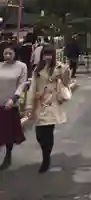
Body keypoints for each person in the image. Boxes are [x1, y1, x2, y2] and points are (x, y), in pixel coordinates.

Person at [26, 44, 71, 173]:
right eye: (45, 54)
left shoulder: (59, 67)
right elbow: (33, 87)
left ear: (53, 55)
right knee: (39, 134)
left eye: (50, 54)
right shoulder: (38, 69)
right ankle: (46, 152)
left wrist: (66, 71)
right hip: (39, 103)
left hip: (52, 103)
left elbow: (66, 82)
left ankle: (46, 159)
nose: (47, 57)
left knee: (48, 132)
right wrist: (29, 105)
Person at [0, 44, 28, 170]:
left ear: (15, 53)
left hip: (10, 104)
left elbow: (22, 84)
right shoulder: (0, 66)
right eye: (5, 53)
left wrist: (14, 99)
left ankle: (8, 155)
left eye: (10, 53)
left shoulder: (21, 67)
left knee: (8, 132)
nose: (7, 56)